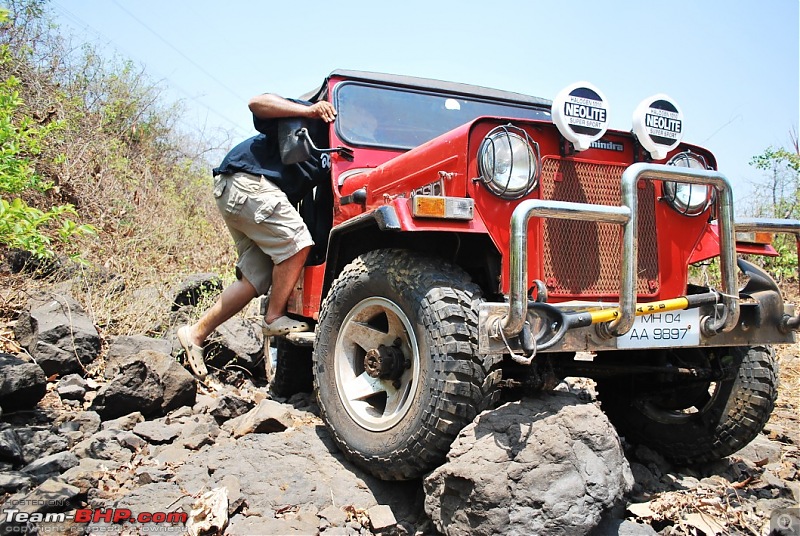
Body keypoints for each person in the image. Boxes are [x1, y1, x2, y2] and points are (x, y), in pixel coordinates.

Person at [177, 93, 337, 378]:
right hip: (246, 181)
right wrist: (310, 111)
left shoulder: (344, 151)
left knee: (256, 278)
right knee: (296, 241)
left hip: (247, 194)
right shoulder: (317, 117)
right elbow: (257, 102)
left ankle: (194, 334)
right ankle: (273, 317)